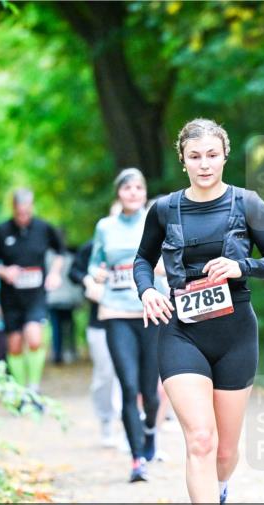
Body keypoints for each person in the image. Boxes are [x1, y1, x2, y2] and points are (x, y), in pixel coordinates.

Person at [134, 118, 264, 505]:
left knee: (225, 450)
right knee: (200, 439)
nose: (204, 164)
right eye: (195, 156)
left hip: (236, 333)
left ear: (225, 155)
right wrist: (147, 291)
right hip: (182, 331)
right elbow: (144, 260)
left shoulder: (248, 203)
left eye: (212, 155)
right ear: (183, 160)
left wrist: (241, 268)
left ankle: (220, 493)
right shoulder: (164, 209)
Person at [89, 168, 165, 482]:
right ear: (119, 193)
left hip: (151, 311)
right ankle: (137, 460)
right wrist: (98, 274)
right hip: (116, 313)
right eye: (127, 188)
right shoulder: (105, 227)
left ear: (145, 192)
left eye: (138, 187)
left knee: (149, 392)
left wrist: (161, 268)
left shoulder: (157, 221)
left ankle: (150, 431)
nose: (133, 192)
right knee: (129, 386)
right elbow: (94, 263)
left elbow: (172, 259)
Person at [0, 188, 65, 395]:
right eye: (19, 213)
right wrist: (4, 271)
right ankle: (20, 391)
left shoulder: (43, 228)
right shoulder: (2, 230)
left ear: (32, 207)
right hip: (11, 297)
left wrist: (55, 273)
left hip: (36, 295)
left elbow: (60, 252)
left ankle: (34, 387)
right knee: (14, 345)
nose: (23, 217)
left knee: (35, 338)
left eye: (27, 213)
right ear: (13, 209)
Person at [69, 238, 123, 448]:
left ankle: (129, 426)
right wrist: (88, 280)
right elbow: (73, 272)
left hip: (131, 318)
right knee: (105, 373)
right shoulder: (92, 247)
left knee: (128, 375)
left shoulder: (140, 242)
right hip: (100, 322)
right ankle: (106, 420)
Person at [46, 247, 82, 364]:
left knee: (56, 328)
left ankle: (57, 354)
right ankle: (71, 351)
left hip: (53, 299)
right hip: (68, 300)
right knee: (69, 327)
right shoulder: (71, 258)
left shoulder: (47, 257)